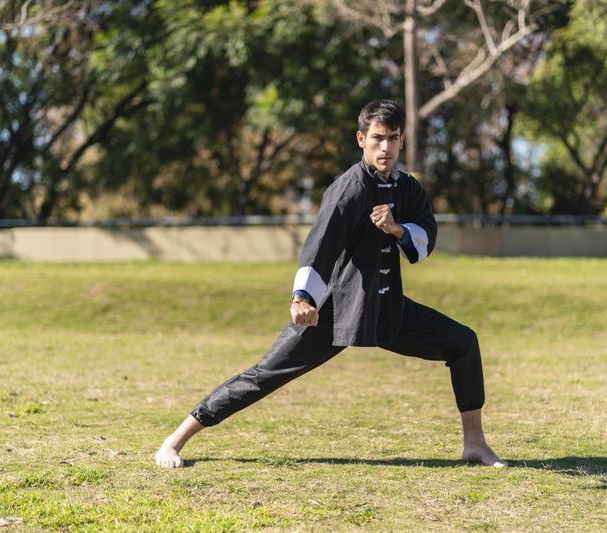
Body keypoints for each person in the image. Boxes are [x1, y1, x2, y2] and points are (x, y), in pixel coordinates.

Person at [155, 99, 505, 468]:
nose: (385, 147)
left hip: (388, 308)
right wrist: (301, 298)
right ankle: (174, 441)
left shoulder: (408, 189)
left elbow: (425, 240)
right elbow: (320, 247)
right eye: (377, 138)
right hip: (337, 310)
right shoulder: (348, 189)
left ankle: (475, 445)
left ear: (402, 141)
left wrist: (397, 228)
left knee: (463, 343)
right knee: (265, 375)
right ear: (361, 139)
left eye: (393, 139)